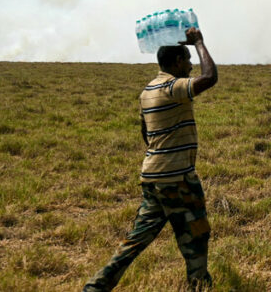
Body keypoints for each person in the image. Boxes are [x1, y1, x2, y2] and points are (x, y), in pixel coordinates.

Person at [84, 27, 218, 292]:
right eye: (187, 60)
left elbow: (145, 132)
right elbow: (210, 77)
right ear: (177, 61)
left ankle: (96, 287)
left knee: (136, 239)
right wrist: (199, 43)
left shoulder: (147, 91)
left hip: (152, 178)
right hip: (177, 179)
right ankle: (200, 286)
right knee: (196, 236)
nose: (191, 66)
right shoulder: (172, 87)